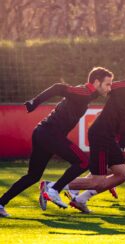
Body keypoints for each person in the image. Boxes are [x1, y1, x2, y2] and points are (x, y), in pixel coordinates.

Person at [53, 56, 125, 213]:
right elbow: (105, 88)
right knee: (102, 179)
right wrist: (82, 97)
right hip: (107, 133)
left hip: (121, 133)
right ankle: (57, 186)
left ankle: (79, 194)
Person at [0, 67, 113, 217]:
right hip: (50, 134)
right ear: (96, 82)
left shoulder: (88, 95)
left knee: (33, 176)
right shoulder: (85, 92)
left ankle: (1, 202)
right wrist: (35, 102)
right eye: (108, 84)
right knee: (83, 162)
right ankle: (53, 190)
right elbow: (58, 87)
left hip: (42, 133)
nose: (110, 88)